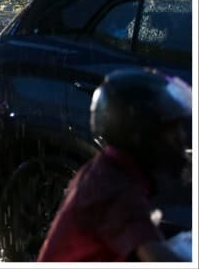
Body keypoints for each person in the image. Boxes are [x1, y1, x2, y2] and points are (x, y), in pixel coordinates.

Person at [37, 68, 191, 262]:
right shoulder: (113, 187)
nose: (181, 141)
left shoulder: (108, 170)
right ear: (141, 134)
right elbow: (156, 258)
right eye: (172, 132)